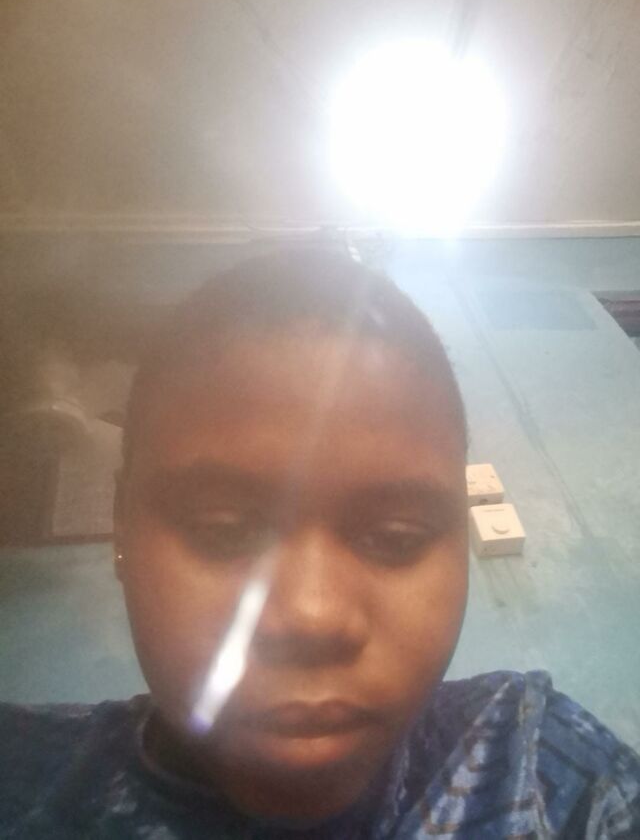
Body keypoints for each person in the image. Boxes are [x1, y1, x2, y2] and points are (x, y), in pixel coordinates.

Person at [1, 249, 639, 838]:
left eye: (395, 537)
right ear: (122, 526)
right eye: (223, 530)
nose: (312, 616)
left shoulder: (546, 776)